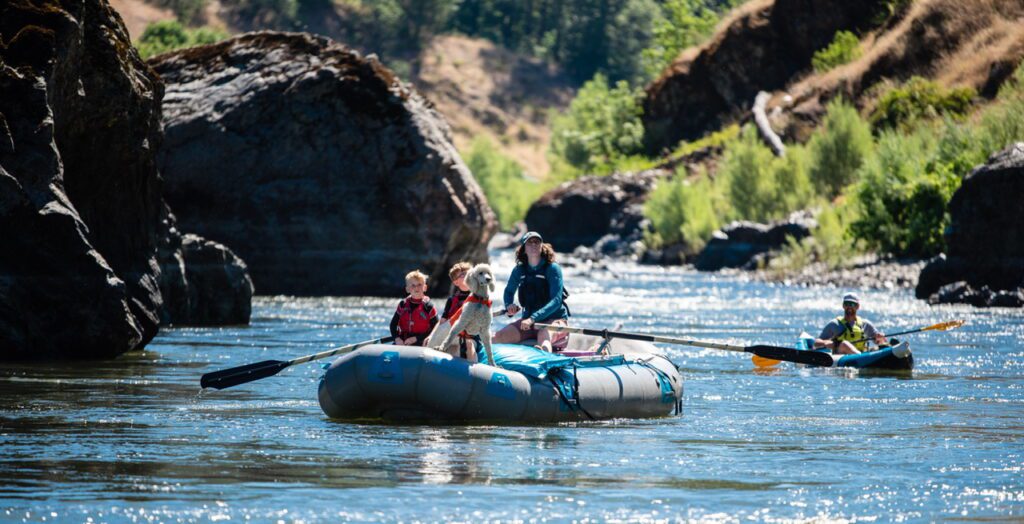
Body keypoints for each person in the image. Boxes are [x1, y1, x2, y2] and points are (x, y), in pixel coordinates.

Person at [494, 231, 570, 352]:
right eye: (529, 243)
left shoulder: (552, 268)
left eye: (537, 242)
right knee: (497, 337)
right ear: (524, 248)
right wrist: (509, 305)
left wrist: (533, 318)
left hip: (555, 321)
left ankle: (546, 360)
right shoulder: (519, 269)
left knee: (543, 334)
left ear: (541, 246)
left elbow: (556, 300)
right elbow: (508, 292)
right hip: (529, 323)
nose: (533, 245)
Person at [426, 262, 479, 361]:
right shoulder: (451, 300)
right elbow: (442, 321)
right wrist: (431, 335)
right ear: (456, 282)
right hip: (452, 335)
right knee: (452, 349)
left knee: (468, 344)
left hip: (470, 336)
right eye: (463, 275)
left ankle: (474, 372)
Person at [814, 293, 887, 355]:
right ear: (843, 306)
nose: (849, 307)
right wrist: (826, 343)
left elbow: (878, 341)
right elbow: (816, 343)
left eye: (852, 304)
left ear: (857, 306)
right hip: (842, 356)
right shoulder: (834, 324)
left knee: (878, 347)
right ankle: (859, 356)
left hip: (863, 354)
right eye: (847, 304)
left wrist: (880, 338)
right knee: (844, 344)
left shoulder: (865, 324)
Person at [390, 270, 438, 346]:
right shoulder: (403, 304)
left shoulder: (428, 306)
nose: (416, 288)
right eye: (413, 285)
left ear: (425, 287)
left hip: (422, 340)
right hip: (404, 341)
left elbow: (436, 327)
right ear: (407, 289)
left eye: (419, 285)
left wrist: (416, 338)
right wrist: (397, 339)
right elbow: (393, 325)